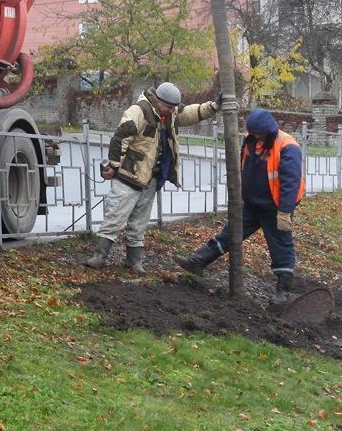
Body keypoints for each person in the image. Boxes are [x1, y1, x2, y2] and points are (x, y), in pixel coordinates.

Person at [173, 109, 305, 306]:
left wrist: (285, 211)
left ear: (268, 131)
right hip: (252, 205)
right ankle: (198, 261)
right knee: (229, 234)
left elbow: (291, 182)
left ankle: (283, 293)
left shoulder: (287, 145)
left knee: (281, 247)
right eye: (253, 133)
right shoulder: (250, 140)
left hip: (275, 208)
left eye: (259, 134)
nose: (256, 136)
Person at [84, 82, 219, 274]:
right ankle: (99, 256)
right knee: (115, 215)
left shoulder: (169, 113)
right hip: (129, 175)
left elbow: (188, 113)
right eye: (169, 107)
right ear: (157, 101)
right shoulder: (138, 111)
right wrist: (113, 165)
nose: (172, 111)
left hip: (151, 177)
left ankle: (133, 261)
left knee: (139, 221)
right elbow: (120, 138)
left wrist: (212, 107)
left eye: (174, 108)